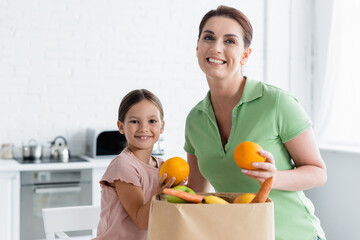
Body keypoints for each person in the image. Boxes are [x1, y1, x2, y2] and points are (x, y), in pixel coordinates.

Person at [184, 5, 327, 240]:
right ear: (198, 47)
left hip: (295, 234)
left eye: (230, 41)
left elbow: (318, 172)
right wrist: (166, 191)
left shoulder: (277, 102)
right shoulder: (195, 120)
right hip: (239, 234)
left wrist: (274, 177)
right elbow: (197, 191)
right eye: (209, 37)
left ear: (245, 55)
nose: (216, 47)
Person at [95, 89, 176, 240]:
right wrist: (159, 193)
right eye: (134, 121)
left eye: (152, 121)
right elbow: (142, 221)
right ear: (120, 126)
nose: (143, 128)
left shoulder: (163, 167)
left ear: (162, 126)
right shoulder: (123, 165)